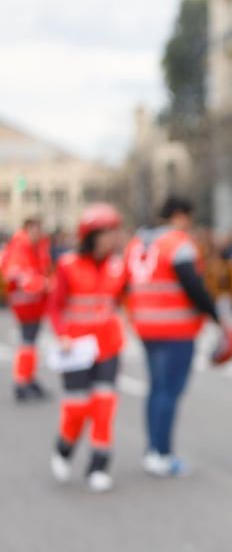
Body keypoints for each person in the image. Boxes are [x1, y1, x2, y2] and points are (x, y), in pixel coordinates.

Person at [124, 195, 232, 477]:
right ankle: (162, 453)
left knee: (155, 390)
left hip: (146, 326)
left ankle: (152, 450)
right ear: (180, 215)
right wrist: (217, 319)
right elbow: (193, 286)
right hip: (176, 329)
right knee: (169, 392)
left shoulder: (138, 242)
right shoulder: (177, 243)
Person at [48, 203, 127, 492]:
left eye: (114, 232)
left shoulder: (119, 266)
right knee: (78, 407)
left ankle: (99, 465)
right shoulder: (68, 265)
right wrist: (62, 335)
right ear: (91, 235)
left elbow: (125, 299)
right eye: (107, 233)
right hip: (77, 349)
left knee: (104, 406)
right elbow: (55, 307)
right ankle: (64, 448)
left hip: (109, 347)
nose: (113, 239)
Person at [1, 217, 52, 401]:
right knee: (27, 344)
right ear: (28, 228)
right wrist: (43, 285)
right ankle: (23, 381)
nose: (39, 233)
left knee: (30, 344)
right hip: (26, 303)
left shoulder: (34, 246)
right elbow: (18, 274)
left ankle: (27, 378)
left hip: (34, 303)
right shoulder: (21, 246)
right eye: (36, 229)